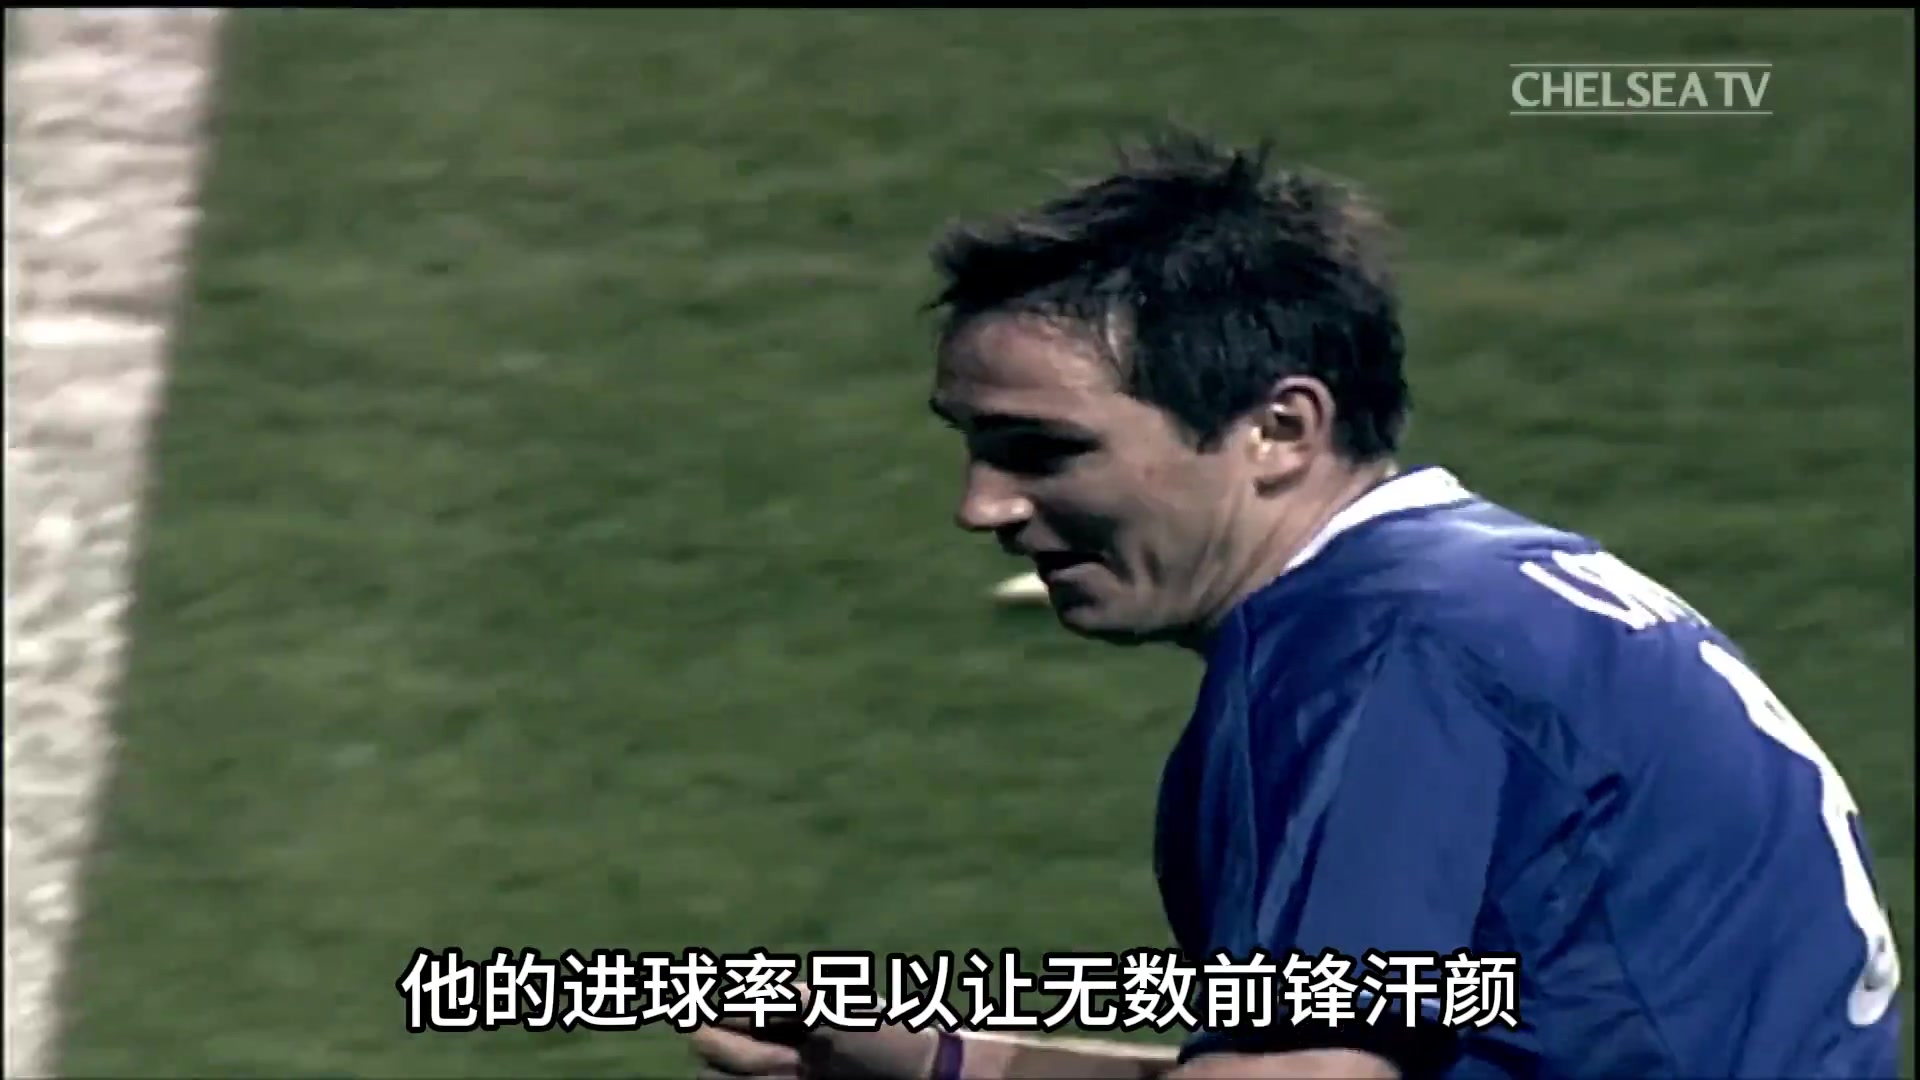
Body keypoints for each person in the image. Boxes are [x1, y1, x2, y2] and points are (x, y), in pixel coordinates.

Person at [689, 129, 1904, 1078]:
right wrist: (940, 1062)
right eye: (972, 446)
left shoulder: (1371, 648)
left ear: (1280, 428)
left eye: (1044, 450)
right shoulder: (1480, 593)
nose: (982, 506)